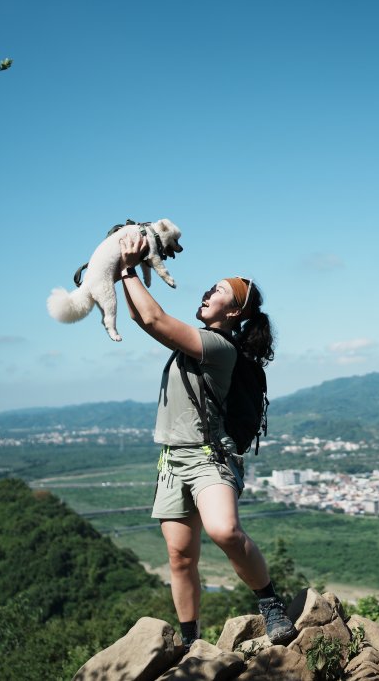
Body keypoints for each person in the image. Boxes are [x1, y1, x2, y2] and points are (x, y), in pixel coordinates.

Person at [117, 232, 296, 647]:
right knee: (180, 558)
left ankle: (270, 604)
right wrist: (130, 271)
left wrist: (127, 268)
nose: (206, 292)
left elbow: (153, 320)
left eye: (217, 291)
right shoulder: (200, 342)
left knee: (225, 531)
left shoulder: (219, 347)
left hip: (208, 458)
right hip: (171, 462)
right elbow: (140, 316)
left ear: (234, 312)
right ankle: (190, 639)